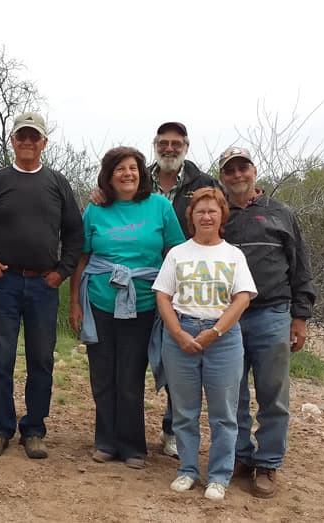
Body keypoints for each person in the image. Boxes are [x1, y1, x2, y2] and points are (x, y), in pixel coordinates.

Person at [0, 112, 83, 460]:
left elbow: (75, 234)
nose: (28, 142)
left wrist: (61, 272)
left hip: (43, 286)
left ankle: (34, 430)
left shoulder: (57, 183)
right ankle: (0, 429)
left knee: (41, 360)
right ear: (13, 141)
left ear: (44, 143)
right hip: (4, 284)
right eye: (22, 137)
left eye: (35, 137)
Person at [69, 146, 184, 469]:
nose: (127, 174)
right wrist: (74, 301)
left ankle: (133, 446)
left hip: (145, 304)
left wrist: (175, 300)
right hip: (100, 302)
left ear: (142, 173)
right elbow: (82, 258)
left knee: (131, 376)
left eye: (133, 168)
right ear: (108, 175)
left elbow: (175, 254)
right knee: (103, 375)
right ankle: (105, 441)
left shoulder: (159, 207)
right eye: (119, 168)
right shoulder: (95, 210)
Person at [218, 146, 316, 498]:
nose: (237, 175)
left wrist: (300, 317)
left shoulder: (280, 213)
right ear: (222, 176)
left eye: (243, 168)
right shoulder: (218, 214)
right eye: (230, 170)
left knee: (273, 393)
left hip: (273, 312)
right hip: (227, 315)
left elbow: (300, 266)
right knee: (232, 392)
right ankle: (241, 456)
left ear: (254, 171)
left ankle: (269, 462)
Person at [153, 187, 257, 501]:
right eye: (200, 211)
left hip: (223, 339)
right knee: (184, 411)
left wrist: (215, 332)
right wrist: (179, 334)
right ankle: (187, 470)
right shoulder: (178, 253)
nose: (206, 216)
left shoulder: (233, 255)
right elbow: (163, 296)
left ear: (222, 215)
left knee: (224, 413)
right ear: (192, 217)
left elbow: (242, 299)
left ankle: (219, 476)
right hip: (181, 333)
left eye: (212, 211)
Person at [151, 122, 220, 458]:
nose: (169, 148)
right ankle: (123, 430)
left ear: (186, 147)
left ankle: (172, 431)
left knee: (178, 361)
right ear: (155, 145)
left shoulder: (203, 183)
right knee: (139, 359)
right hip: (140, 282)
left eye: (176, 143)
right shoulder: (137, 177)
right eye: (164, 143)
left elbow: (220, 220)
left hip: (186, 285)